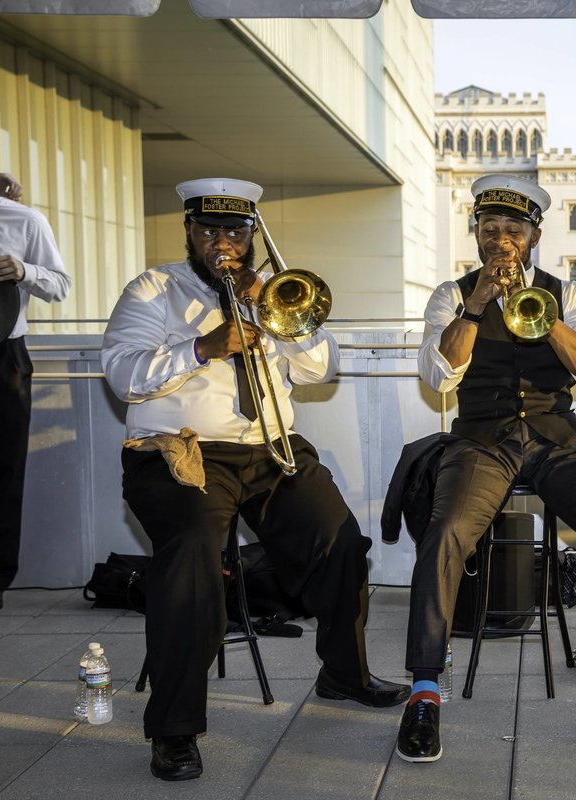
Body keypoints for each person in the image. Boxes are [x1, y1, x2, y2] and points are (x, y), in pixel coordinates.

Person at [101, 178, 407, 782]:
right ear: (189, 231)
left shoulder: (272, 291)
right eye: (210, 231)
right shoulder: (154, 289)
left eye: (236, 232)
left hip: (270, 448)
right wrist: (203, 347)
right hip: (178, 455)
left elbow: (321, 368)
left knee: (341, 543)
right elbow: (122, 374)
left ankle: (343, 673)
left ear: (252, 236)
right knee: (190, 558)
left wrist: (278, 313)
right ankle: (174, 730)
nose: (224, 244)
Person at [398, 173, 576, 763]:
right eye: (490, 229)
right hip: (481, 440)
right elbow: (438, 375)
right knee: (446, 534)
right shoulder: (451, 294)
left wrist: (545, 320)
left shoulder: (566, 294)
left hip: (556, 436)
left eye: (514, 231)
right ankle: (424, 690)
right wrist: (474, 307)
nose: (502, 241)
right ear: (475, 234)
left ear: (534, 236)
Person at [0, 150, 70, 614]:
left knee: (1, 469)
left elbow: (60, 284)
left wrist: (23, 271)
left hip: (1, 357)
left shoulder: (23, 221)